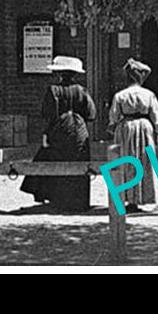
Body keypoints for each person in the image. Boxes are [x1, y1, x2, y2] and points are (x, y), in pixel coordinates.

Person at [20, 55, 97, 211]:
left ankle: (59, 199)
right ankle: (79, 201)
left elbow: (47, 114)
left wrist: (48, 133)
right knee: (79, 162)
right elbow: (91, 114)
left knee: (57, 160)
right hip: (79, 131)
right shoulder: (82, 91)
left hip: (59, 130)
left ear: (59, 74)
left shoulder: (53, 90)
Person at [108, 57, 158, 212]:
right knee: (143, 161)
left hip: (126, 128)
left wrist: (113, 129)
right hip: (144, 128)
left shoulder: (120, 95)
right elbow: (156, 116)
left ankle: (128, 199)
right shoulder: (148, 94)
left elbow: (113, 116)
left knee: (127, 162)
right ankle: (140, 197)